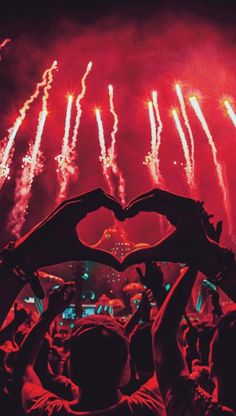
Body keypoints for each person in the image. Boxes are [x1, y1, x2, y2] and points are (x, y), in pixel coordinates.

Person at [16, 284, 165, 415]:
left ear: (70, 363)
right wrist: (158, 291)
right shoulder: (146, 408)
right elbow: (169, 345)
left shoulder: (48, 411)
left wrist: (50, 313)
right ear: (126, 362)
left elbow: (23, 366)